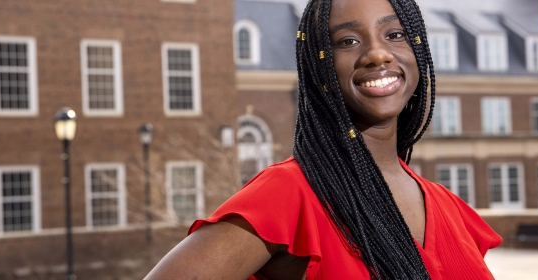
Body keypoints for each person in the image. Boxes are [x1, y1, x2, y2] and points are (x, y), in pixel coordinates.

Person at [146, 0, 502, 278]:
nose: (378, 54)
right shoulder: (290, 193)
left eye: (395, 35)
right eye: (347, 41)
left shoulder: (450, 208)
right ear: (319, 67)